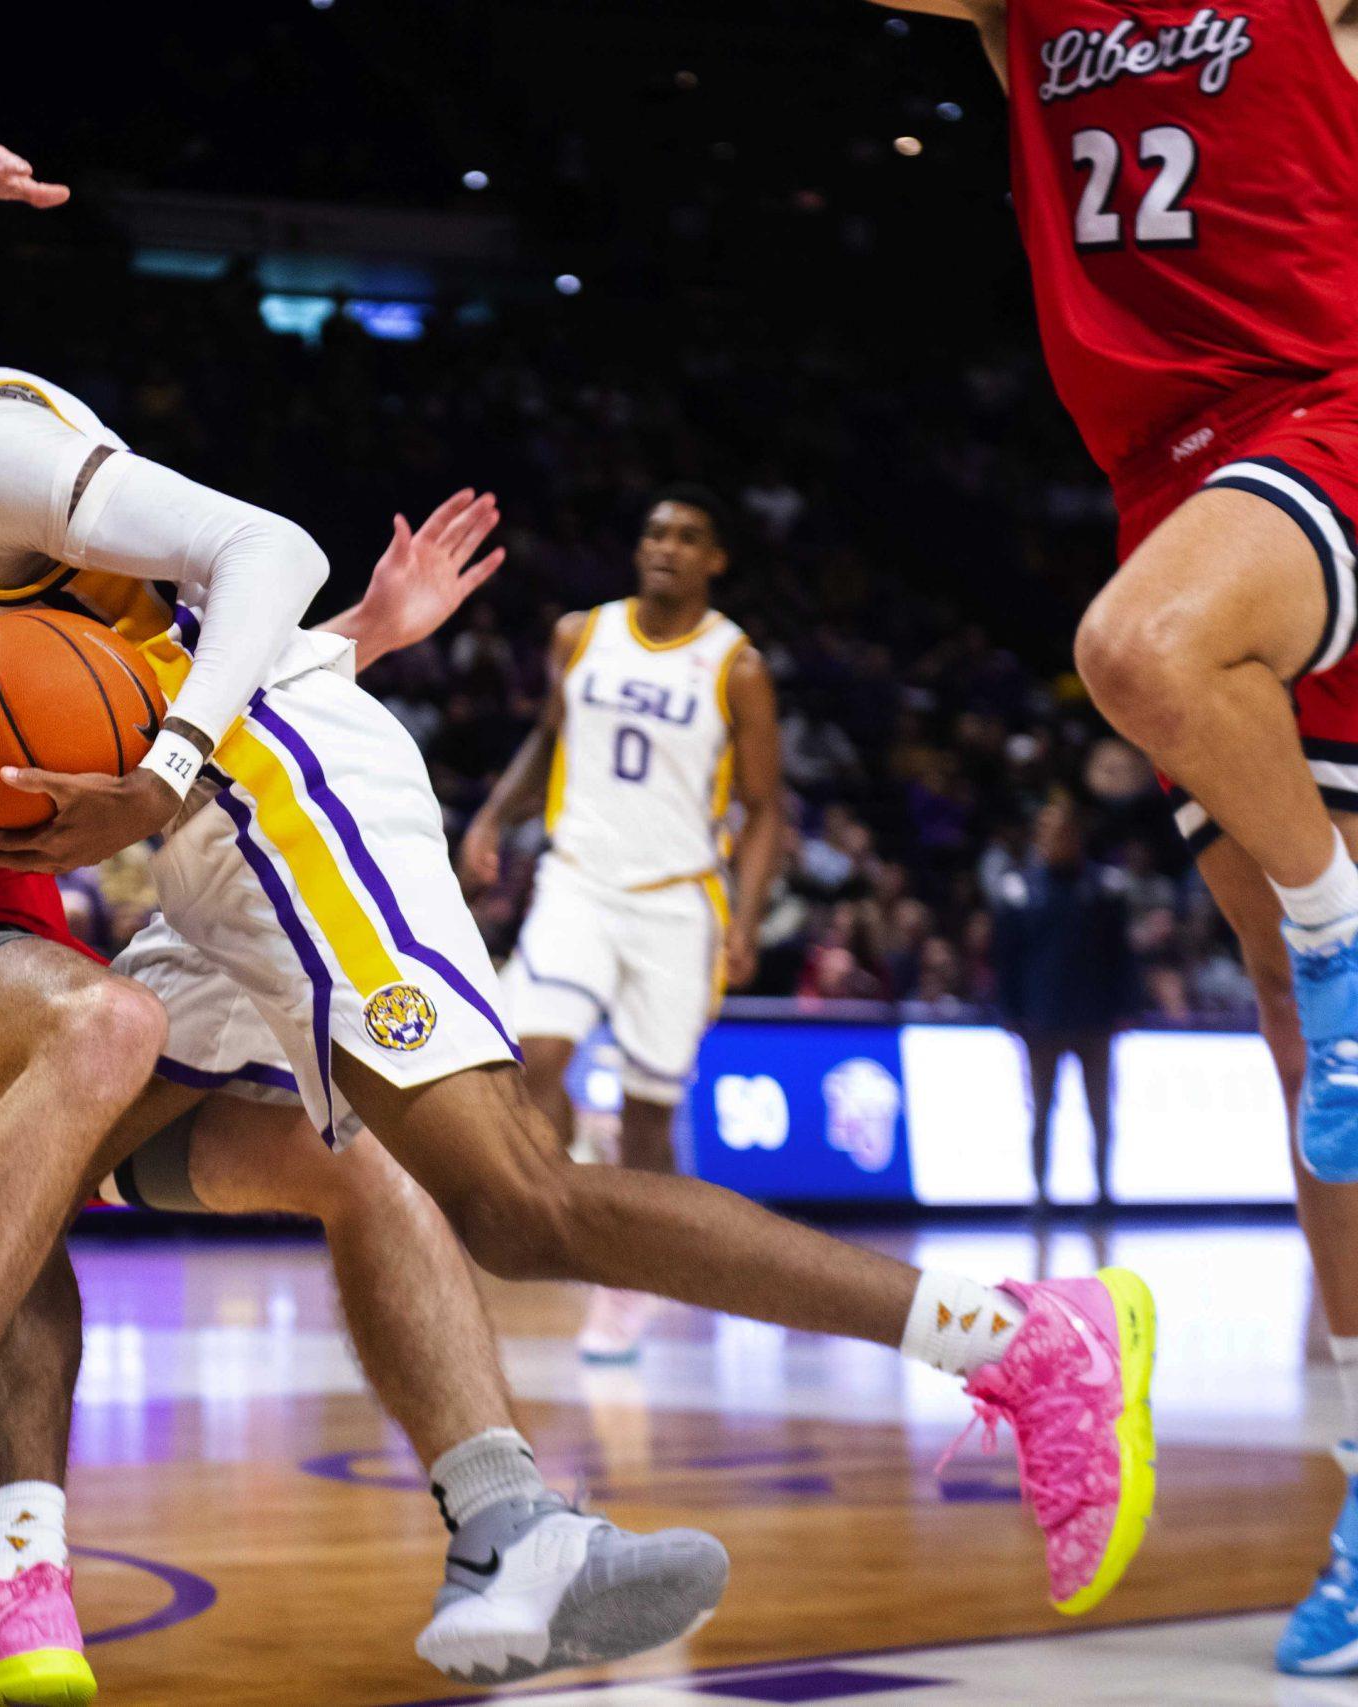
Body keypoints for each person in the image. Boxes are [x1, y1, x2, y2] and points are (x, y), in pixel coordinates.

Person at [0, 147, 1157, 1631]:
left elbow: (260, 546)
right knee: (96, 1141)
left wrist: (162, 771)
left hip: (280, 805)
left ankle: (1021, 1339)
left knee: (517, 1195)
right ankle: (476, 1538)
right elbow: (101, 594)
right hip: (231, 833)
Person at [0, 462, 728, 1695]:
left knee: (352, 1154)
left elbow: (176, 703)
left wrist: (362, 635)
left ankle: (496, 1529)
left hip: (23, 992)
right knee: (111, 1024)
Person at [863, 0, 1358, 1673]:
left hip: (1332, 421)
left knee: (1139, 651)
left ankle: (1340, 928)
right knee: (1308, 1050)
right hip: (1185, 487)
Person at [458, 488, 788, 1361]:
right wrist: (493, 815)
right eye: (653, 532)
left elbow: (764, 810)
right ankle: (578, 1183)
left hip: (678, 900)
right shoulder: (581, 632)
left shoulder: (736, 666)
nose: (666, 546)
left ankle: (627, 1285)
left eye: (688, 535)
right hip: (578, 880)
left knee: (650, 1114)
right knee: (533, 1064)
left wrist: (745, 920)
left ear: (715, 560)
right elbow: (547, 738)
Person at [993, 795, 1138, 1211]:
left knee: (1101, 1112)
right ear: (1040, 835)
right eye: (1050, 830)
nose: (1058, 838)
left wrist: (1126, 1007)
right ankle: (1040, 1195)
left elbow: (1121, 955)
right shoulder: (1019, 889)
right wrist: (1009, 1014)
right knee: (1041, 1112)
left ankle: (1104, 1193)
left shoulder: (1105, 888)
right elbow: (1006, 960)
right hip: (1042, 1021)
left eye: (1065, 830)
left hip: (1095, 1020)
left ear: (1077, 836)